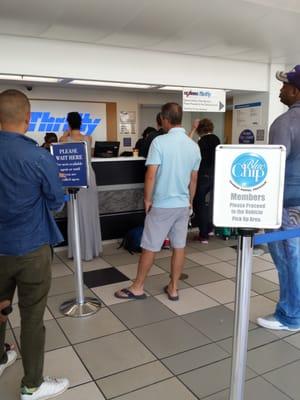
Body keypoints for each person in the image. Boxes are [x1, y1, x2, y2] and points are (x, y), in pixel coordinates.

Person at [0, 89, 69, 399]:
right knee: (31, 316)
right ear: (27, 119)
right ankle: (32, 385)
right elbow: (56, 202)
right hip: (31, 249)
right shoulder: (39, 157)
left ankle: (1, 357)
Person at [115, 102, 200, 301]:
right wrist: (190, 202)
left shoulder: (160, 142)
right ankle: (173, 287)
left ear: (164, 119)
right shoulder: (193, 146)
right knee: (179, 246)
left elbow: (151, 175)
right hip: (182, 205)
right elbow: (193, 178)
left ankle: (137, 287)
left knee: (150, 247)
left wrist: (147, 199)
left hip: (162, 205)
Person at [257, 65, 300, 331]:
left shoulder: (285, 123)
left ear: (296, 91)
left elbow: (273, 169)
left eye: (285, 86)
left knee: (288, 258)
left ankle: (290, 315)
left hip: (287, 205)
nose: (281, 90)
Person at [60, 112, 102, 261]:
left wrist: (67, 133)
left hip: (74, 177)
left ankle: (78, 250)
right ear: (81, 123)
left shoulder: (64, 140)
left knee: (75, 212)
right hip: (89, 176)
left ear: (69, 123)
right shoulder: (88, 138)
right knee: (90, 211)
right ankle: (92, 249)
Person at [189, 118, 220, 243]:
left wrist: (193, 129)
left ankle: (203, 235)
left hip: (203, 176)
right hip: (215, 175)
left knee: (200, 204)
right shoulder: (217, 139)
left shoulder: (201, 141)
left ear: (200, 129)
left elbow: (187, 144)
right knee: (211, 204)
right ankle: (210, 229)